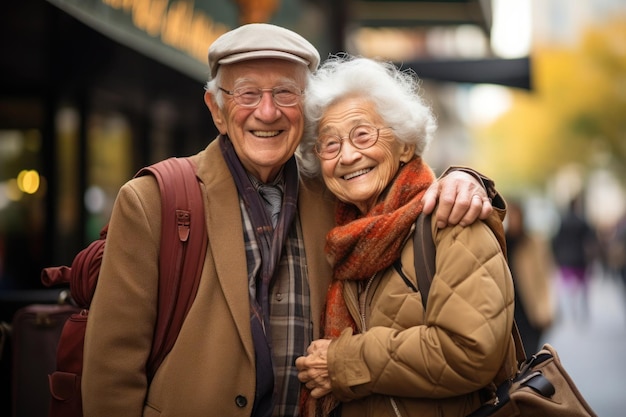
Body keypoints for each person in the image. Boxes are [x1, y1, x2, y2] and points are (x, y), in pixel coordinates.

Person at [82, 24, 501, 417]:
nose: (267, 112)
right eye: (247, 94)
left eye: (285, 93)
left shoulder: (334, 197)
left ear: (303, 109)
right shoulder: (153, 201)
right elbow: (111, 372)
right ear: (217, 109)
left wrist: (466, 179)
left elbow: (402, 198)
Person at [295, 55, 516, 417]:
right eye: (330, 145)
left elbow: (469, 352)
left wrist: (341, 363)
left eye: (363, 135)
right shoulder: (344, 239)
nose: (348, 155)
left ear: (405, 145)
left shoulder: (453, 217)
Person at [505, 199, 555, 354]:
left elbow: (545, 275)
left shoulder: (533, 243)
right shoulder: (500, 242)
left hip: (530, 308)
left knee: (530, 354)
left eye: (515, 215)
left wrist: (546, 308)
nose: (513, 220)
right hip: (509, 309)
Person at [551, 195, 598, 321]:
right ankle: (582, 309)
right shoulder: (582, 221)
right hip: (580, 259)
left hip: (565, 259)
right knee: (583, 287)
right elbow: (591, 239)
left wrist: (556, 255)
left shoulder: (563, 221)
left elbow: (556, 240)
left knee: (567, 287)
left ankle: (570, 311)